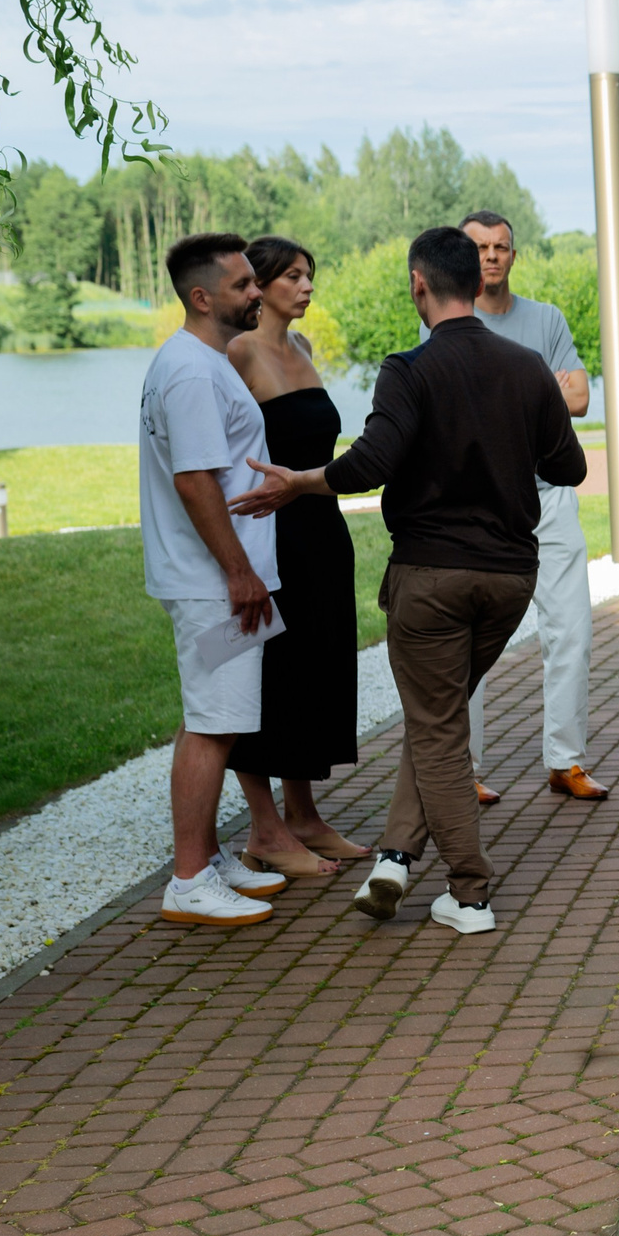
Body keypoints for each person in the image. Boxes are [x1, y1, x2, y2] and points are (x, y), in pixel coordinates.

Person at [231, 226, 588, 937]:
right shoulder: (526, 368)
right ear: (474, 280)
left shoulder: (408, 368)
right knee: (438, 718)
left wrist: (301, 482)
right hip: (509, 581)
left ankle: (470, 892)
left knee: (437, 727)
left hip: (430, 578)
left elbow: (372, 461)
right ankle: (394, 858)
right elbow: (570, 467)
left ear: (418, 284)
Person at [139, 233, 292, 927]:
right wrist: (239, 571)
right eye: (241, 285)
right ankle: (190, 878)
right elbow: (196, 480)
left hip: (217, 576)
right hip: (213, 580)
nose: (256, 291)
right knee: (212, 724)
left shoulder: (200, 360)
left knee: (213, 721)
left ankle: (205, 855)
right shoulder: (193, 372)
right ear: (201, 298)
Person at [225, 236, 365, 874]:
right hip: (270, 536)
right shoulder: (238, 353)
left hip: (321, 531)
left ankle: (305, 817)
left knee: (315, 671)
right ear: (262, 285)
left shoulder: (302, 348)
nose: (307, 287)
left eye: (310, 275)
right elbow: (221, 457)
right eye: (293, 277)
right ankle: (265, 831)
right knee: (270, 677)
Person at [459, 210, 608, 805]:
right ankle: (461, 769)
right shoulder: (447, 319)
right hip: (479, 506)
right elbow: (458, 401)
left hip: (549, 499)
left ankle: (565, 762)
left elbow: (580, 396)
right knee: (470, 642)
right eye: (479, 248)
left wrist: (503, 386)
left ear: (513, 255)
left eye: (501, 247)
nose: (491, 256)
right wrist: (538, 382)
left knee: (572, 630)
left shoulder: (545, 318)